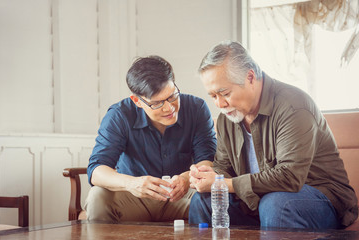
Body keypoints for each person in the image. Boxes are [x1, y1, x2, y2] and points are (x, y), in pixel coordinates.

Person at [188, 40, 358, 229]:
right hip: (259, 201)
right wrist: (209, 177)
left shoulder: (293, 106)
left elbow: (289, 177)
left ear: (250, 77)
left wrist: (225, 185)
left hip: (318, 198)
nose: (219, 104)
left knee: (277, 204)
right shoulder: (227, 118)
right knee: (203, 200)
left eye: (225, 93)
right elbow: (223, 167)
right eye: (213, 96)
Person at [85, 55, 216, 222]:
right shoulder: (119, 115)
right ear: (137, 101)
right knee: (97, 197)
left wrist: (185, 179)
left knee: (215, 197)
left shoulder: (196, 108)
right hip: (134, 197)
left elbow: (208, 160)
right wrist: (131, 184)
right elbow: (96, 170)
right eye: (157, 103)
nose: (169, 108)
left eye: (172, 96)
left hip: (183, 196)